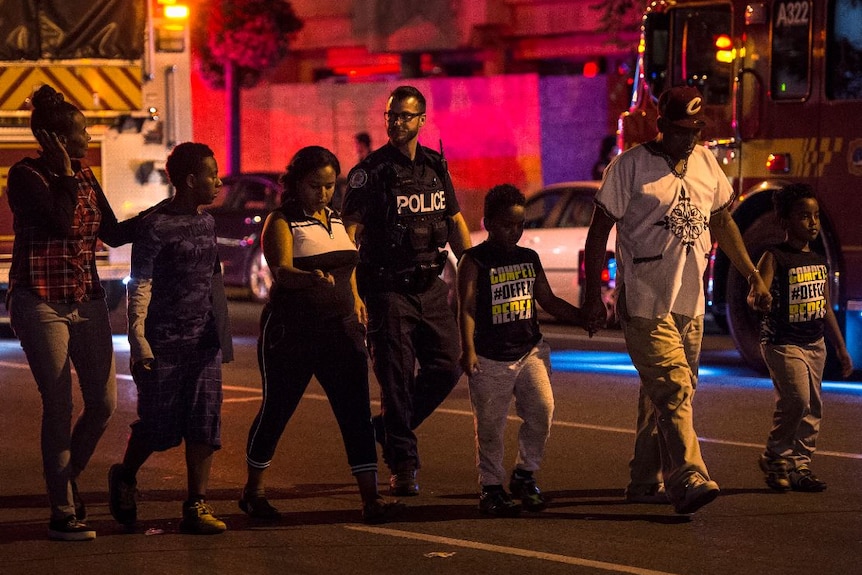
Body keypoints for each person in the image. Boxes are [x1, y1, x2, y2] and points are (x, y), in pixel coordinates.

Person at [582, 85, 772, 515]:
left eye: (696, 129)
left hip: (689, 302)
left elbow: (722, 219)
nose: (691, 138)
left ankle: (643, 478)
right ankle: (687, 476)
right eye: (682, 130)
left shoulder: (706, 162)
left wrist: (753, 275)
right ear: (661, 125)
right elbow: (599, 231)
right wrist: (595, 296)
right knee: (674, 386)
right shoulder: (629, 166)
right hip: (646, 301)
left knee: (665, 393)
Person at [239, 146, 403, 524]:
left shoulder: (334, 219)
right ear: (295, 183)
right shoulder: (282, 222)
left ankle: (371, 499)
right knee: (277, 410)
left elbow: (349, 269)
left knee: (356, 415)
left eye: (330, 186)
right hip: (292, 333)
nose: (324, 193)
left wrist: (357, 300)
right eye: (316, 186)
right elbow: (279, 271)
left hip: (342, 333)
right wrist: (308, 276)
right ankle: (254, 491)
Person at [6, 85, 138, 541]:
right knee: (58, 404)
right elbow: (61, 222)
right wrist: (63, 174)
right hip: (40, 300)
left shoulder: (84, 174)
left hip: (86, 298)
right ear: (55, 139)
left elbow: (115, 233)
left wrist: (169, 211)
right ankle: (62, 511)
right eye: (80, 132)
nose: (87, 139)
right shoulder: (25, 176)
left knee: (103, 403)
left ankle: (69, 476)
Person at [341, 85, 472, 496]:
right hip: (387, 289)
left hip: (431, 287)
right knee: (395, 380)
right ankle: (403, 464)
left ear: (421, 120)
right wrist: (354, 294)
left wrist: (475, 269)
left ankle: (387, 429)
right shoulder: (371, 172)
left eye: (404, 116)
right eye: (390, 115)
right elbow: (349, 235)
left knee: (448, 365)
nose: (395, 123)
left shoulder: (435, 166)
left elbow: (454, 223)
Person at [107, 142, 230, 535]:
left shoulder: (207, 222)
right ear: (191, 180)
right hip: (163, 340)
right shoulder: (155, 225)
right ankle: (125, 474)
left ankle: (196, 504)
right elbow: (140, 284)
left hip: (203, 341)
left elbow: (214, 281)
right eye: (212, 174)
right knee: (160, 429)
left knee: (204, 420)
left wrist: (221, 334)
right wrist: (138, 340)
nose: (219, 181)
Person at [457, 184, 585, 516]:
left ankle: (525, 474)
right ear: (487, 223)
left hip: (529, 350)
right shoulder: (474, 261)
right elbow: (466, 308)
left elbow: (548, 300)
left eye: (520, 224)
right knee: (490, 425)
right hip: (489, 355)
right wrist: (468, 350)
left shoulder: (529, 258)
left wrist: (582, 317)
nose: (514, 231)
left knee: (542, 409)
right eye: (506, 225)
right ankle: (491, 487)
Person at [755, 184, 853, 492]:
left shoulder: (819, 261)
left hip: (815, 345)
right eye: (803, 216)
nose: (812, 222)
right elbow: (755, 293)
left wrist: (840, 347)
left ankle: (800, 466)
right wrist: (760, 299)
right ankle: (774, 455)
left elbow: (824, 308)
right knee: (796, 400)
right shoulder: (774, 257)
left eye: (816, 216)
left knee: (812, 407)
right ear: (785, 221)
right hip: (783, 343)